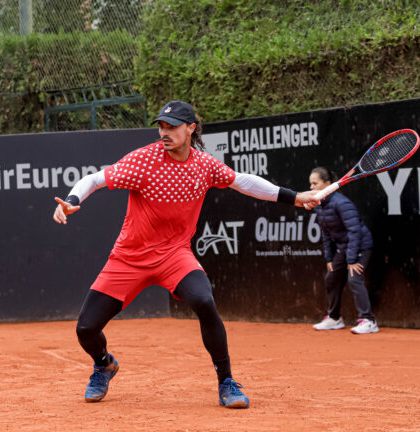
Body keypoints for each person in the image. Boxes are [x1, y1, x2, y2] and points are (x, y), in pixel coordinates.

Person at [53, 100, 321, 408]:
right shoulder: (142, 161)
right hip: (129, 257)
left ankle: (227, 382)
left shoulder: (204, 165)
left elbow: (242, 182)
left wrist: (296, 198)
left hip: (174, 255)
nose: (164, 132)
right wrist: (73, 198)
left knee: (204, 301)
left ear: (190, 128)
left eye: (172, 126)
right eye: (161, 126)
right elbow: (96, 179)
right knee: (86, 328)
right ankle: (104, 365)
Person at [308, 167, 378, 334]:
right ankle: (334, 318)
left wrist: (352, 260)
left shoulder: (342, 204)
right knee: (332, 277)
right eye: (310, 184)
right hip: (344, 248)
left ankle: (368, 320)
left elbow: (355, 232)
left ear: (327, 184)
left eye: (315, 183)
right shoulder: (320, 205)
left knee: (354, 278)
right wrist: (330, 258)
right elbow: (326, 233)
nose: (311, 188)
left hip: (361, 245)